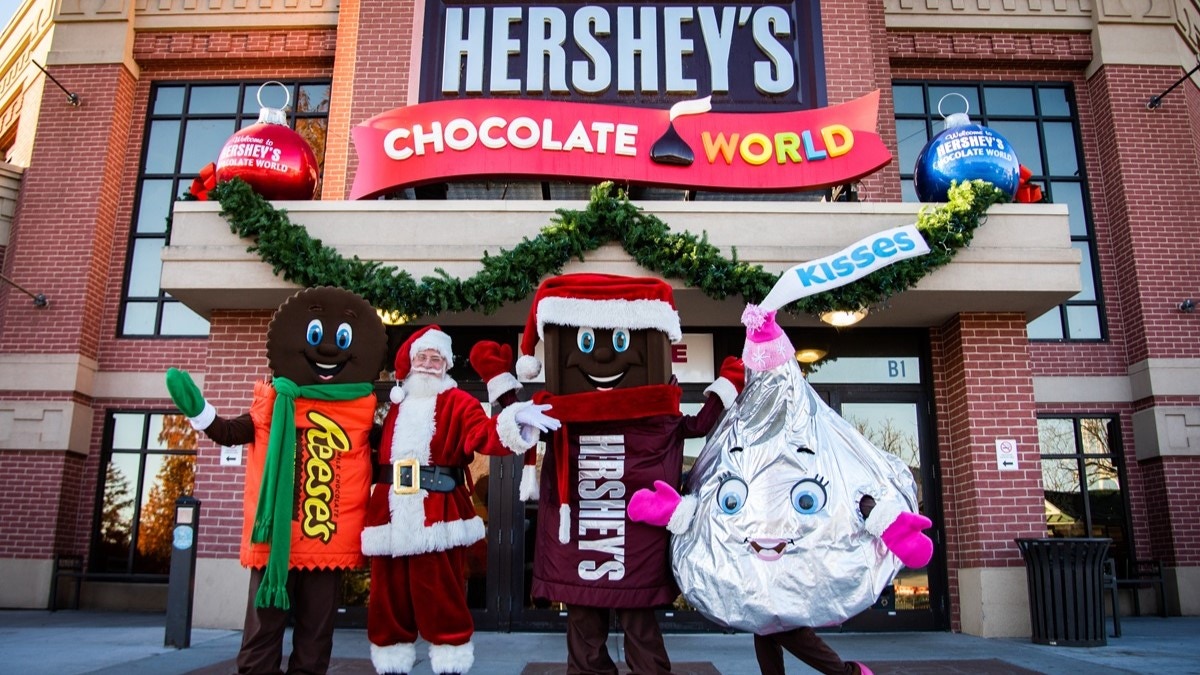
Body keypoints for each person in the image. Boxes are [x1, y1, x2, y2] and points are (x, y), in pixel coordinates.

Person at [509, 273, 744, 675]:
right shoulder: (559, 414)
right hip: (586, 544)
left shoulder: (657, 417)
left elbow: (696, 426)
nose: (601, 357)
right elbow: (511, 437)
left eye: (620, 340)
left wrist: (726, 387)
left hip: (624, 545)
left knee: (634, 621)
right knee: (587, 619)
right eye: (586, 341)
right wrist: (514, 412)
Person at [165, 287, 388, 675]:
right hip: (276, 543)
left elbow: (391, 449)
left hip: (326, 541)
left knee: (316, 633)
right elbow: (232, 431)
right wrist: (201, 413)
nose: (330, 352)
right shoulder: (275, 402)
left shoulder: (360, 415)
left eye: (342, 341)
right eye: (316, 338)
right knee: (262, 630)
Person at [360, 325, 558, 675]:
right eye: (423, 357)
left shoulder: (458, 402)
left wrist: (514, 420)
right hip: (389, 513)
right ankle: (392, 661)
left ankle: (450, 661)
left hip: (437, 512)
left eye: (437, 359)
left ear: (446, 365)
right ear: (411, 362)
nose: (429, 364)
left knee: (440, 592)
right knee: (387, 596)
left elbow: (482, 434)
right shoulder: (393, 406)